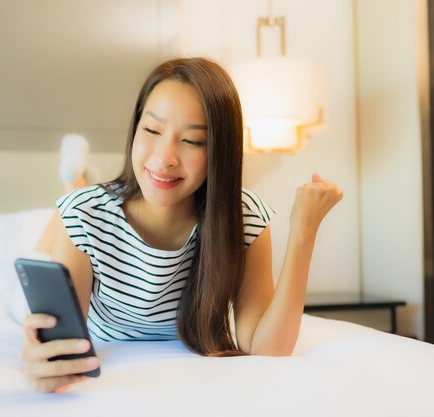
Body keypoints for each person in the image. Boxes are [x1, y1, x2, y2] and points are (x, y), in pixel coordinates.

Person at [23, 57, 343, 393]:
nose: (164, 158)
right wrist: (42, 361)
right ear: (135, 129)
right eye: (152, 130)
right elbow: (57, 349)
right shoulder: (83, 217)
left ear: (219, 150)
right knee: (62, 217)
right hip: (86, 215)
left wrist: (304, 230)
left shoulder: (244, 217)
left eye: (192, 141)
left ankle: (76, 181)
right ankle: (73, 181)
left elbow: (268, 350)